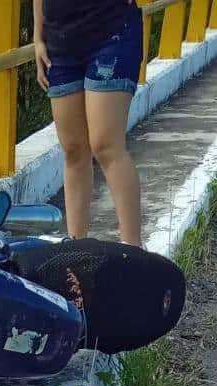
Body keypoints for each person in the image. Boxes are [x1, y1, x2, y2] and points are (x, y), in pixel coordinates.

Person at [32, 0, 144, 246]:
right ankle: (75, 249)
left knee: (105, 145)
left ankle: (133, 252)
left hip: (111, 31)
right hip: (59, 43)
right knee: (73, 149)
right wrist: (38, 37)